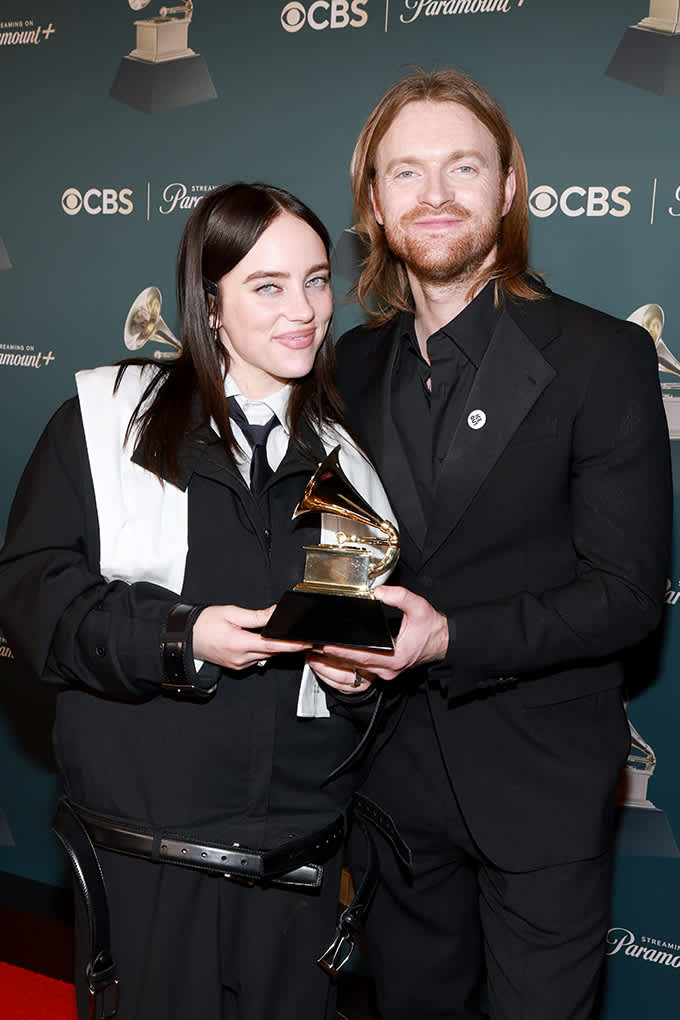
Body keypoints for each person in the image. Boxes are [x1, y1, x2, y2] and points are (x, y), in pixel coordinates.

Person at [308, 70, 672, 1020]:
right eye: (407, 173)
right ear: (374, 205)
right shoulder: (347, 364)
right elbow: (345, 555)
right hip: (387, 789)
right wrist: (336, 643)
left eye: (463, 167)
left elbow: (628, 595)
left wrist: (448, 638)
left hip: (540, 783)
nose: (435, 196)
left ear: (508, 190)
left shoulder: (601, 358)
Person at [0, 182, 393, 1020]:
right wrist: (182, 638)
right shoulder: (105, 422)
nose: (305, 311)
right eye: (268, 286)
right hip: (150, 869)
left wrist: (355, 681)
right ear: (209, 305)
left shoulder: (348, 464)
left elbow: (351, 661)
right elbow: (31, 598)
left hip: (300, 873)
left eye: (318, 280)